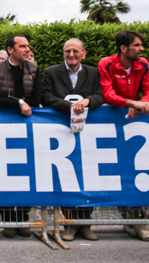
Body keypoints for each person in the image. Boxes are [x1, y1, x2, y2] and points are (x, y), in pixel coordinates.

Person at [41, 38, 104, 242]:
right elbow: (46, 97)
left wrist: (87, 102)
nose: (71, 55)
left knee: (89, 175)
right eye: (67, 51)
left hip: (88, 132)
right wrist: (69, 106)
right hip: (61, 132)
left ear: (83, 54)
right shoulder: (51, 72)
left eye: (75, 51)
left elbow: (101, 95)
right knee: (66, 176)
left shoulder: (93, 72)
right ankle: (69, 224)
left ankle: (85, 224)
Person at [97, 30, 149, 242]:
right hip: (111, 122)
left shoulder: (145, 64)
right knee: (116, 171)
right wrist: (131, 103)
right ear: (124, 48)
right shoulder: (106, 63)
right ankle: (127, 216)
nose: (142, 49)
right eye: (137, 45)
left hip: (135, 121)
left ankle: (139, 220)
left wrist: (142, 103)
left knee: (139, 170)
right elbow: (108, 94)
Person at [0, 34, 41, 238]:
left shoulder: (34, 68)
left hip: (27, 128)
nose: (27, 49)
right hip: (1, 128)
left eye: (28, 46)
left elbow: (36, 98)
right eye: (22, 46)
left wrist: (25, 103)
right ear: (11, 50)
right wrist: (18, 102)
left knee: (26, 172)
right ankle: (8, 219)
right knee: (4, 173)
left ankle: (23, 218)